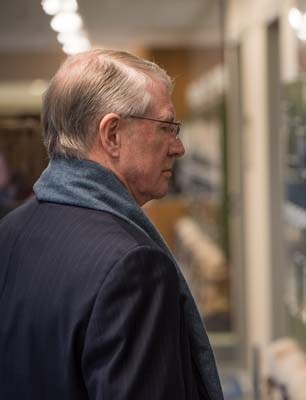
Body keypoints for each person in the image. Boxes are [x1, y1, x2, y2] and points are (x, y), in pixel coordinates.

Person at [0, 49, 223, 400]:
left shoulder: (11, 230)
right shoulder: (132, 265)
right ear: (113, 134)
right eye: (166, 127)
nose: (178, 147)